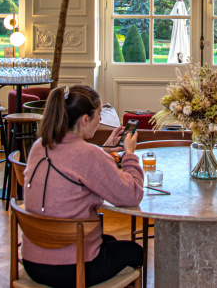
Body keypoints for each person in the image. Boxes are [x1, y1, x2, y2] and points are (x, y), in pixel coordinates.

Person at [22, 85, 144, 287]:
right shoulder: (89, 155)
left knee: (111, 241)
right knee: (136, 252)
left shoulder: (40, 145)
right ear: (85, 120)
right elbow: (131, 195)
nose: (100, 121)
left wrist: (104, 148)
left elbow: (73, 162)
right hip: (72, 267)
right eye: (98, 116)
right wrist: (130, 154)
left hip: (33, 262)